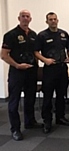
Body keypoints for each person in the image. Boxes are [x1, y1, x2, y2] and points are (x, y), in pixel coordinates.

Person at [1, 10, 41, 141]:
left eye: (27, 16)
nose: (25, 18)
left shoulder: (34, 35)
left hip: (31, 72)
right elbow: (4, 55)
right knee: (14, 101)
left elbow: (36, 53)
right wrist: (17, 65)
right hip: (17, 72)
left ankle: (30, 122)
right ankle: (15, 129)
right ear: (19, 18)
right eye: (23, 16)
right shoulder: (11, 35)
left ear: (31, 19)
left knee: (30, 99)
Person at [34, 12, 69, 134]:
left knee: (61, 95)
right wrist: (45, 60)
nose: (53, 21)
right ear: (47, 21)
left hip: (62, 69)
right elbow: (36, 52)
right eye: (50, 19)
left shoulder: (64, 34)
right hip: (49, 70)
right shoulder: (42, 35)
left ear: (58, 20)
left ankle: (60, 117)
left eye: (55, 19)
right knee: (48, 97)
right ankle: (47, 121)